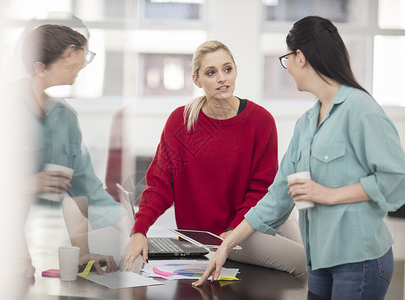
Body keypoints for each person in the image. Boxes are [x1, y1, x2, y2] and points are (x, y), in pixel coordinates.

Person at [193, 16, 405, 300]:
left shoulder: (361, 109)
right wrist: (226, 244)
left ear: (301, 57)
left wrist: (329, 194)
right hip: (318, 260)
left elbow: (395, 179)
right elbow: (277, 196)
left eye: (287, 58)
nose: (288, 67)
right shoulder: (306, 123)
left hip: (359, 261)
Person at [119, 40, 307, 283]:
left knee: (311, 263)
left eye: (227, 69)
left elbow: (261, 188)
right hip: (217, 233)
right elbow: (160, 183)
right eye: (211, 72)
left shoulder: (261, 121)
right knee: (302, 261)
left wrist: (235, 232)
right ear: (197, 80)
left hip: (250, 218)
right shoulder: (181, 121)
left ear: (236, 71)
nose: (222, 78)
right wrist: (139, 230)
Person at [11, 24, 125, 277]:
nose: (82, 66)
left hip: (31, 252)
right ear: (40, 68)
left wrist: (137, 230)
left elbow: (83, 188)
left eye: (82, 59)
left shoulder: (65, 117)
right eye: (70, 62)